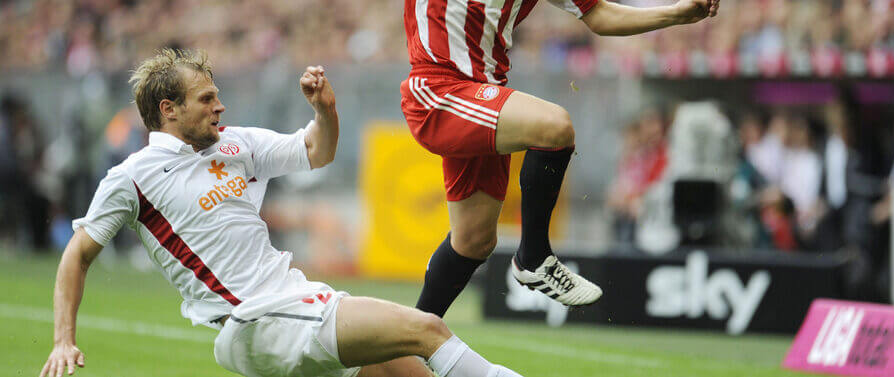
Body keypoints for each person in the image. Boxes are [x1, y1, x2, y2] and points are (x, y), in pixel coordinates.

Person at [337, 0, 720, 316]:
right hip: (437, 89)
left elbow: (598, 15)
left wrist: (675, 13)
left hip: (485, 98)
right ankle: (535, 257)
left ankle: (412, 342)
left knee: (474, 240)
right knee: (554, 126)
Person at [40, 48, 528, 377]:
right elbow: (77, 256)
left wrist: (325, 112)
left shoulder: (235, 144)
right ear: (168, 109)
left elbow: (317, 151)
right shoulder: (133, 176)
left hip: (289, 303)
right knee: (426, 330)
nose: (220, 106)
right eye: (207, 98)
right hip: (256, 320)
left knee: (405, 368)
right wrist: (64, 340)